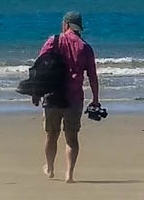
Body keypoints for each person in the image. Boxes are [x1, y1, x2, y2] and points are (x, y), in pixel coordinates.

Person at [39, 11, 99, 183]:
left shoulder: (53, 41)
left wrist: (36, 89)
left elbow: (40, 65)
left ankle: (50, 168)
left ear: (65, 24)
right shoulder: (85, 47)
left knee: (51, 134)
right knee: (71, 138)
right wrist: (95, 98)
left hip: (52, 96)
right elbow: (92, 76)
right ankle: (69, 174)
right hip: (74, 98)